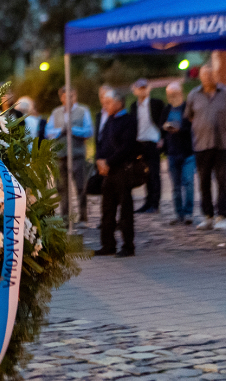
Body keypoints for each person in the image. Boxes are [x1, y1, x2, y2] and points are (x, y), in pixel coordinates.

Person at [185, 64, 226, 230]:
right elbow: (189, 116)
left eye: (210, 75)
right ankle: (208, 216)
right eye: (204, 75)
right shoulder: (194, 95)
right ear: (200, 77)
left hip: (222, 145)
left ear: (216, 75)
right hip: (202, 145)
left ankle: (221, 215)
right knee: (203, 181)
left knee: (222, 181)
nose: (207, 78)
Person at [95, 89, 137, 257]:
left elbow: (126, 147)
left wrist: (108, 161)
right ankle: (108, 244)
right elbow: (101, 142)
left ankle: (128, 245)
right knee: (107, 209)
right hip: (107, 172)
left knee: (125, 209)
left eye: (108, 103)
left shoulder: (128, 121)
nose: (105, 106)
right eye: (104, 103)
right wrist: (99, 160)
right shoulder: (109, 121)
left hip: (121, 170)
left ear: (119, 103)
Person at [46, 87, 93, 225]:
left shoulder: (83, 111)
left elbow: (89, 130)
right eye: (66, 96)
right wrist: (60, 131)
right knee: (62, 188)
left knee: (80, 186)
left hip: (77, 154)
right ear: (61, 98)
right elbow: (48, 132)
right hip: (60, 155)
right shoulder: (56, 112)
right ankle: (65, 218)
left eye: (72, 96)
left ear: (75, 96)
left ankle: (83, 216)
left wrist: (73, 130)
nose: (69, 99)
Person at [128, 78, 164, 214]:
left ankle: (155, 203)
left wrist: (162, 138)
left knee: (154, 174)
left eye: (144, 88)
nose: (142, 90)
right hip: (139, 143)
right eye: (139, 88)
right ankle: (147, 202)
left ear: (148, 89)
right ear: (135, 90)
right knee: (144, 174)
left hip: (153, 141)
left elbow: (163, 121)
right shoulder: (133, 106)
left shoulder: (156, 104)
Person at [162, 82, 195, 226]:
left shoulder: (187, 108)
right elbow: (160, 124)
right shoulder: (167, 109)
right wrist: (165, 127)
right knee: (175, 186)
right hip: (172, 152)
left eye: (174, 94)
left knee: (188, 183)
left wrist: (179, 129)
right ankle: (178, 213)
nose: (171, 97)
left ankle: (188, 213)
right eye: (169, 95)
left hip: (187, 151)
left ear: (180, 93)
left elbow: (192, 127)